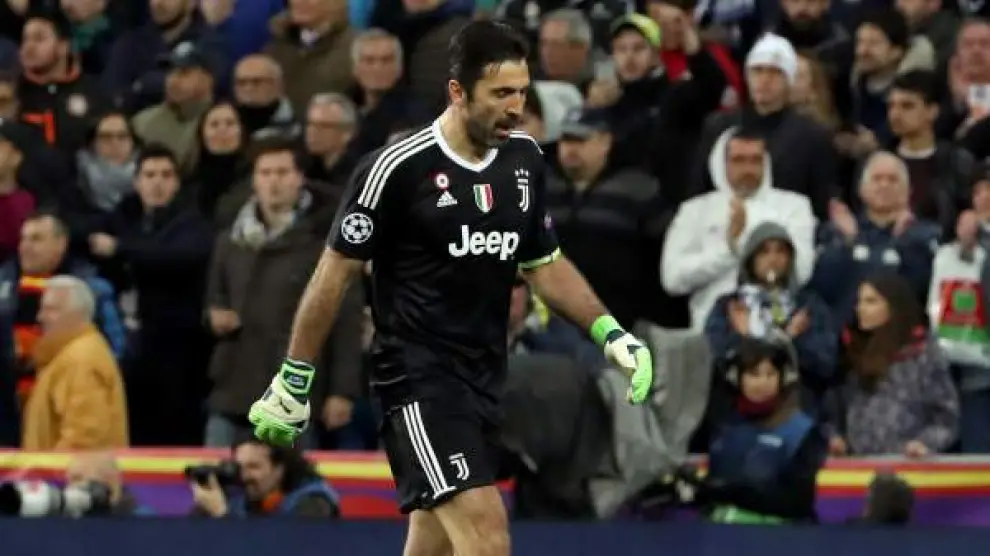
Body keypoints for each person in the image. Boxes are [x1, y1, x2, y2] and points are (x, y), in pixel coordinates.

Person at [247, 20, 653, 556]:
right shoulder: (395, 168)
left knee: (433, 545)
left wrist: (610, 333)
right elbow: (334, 273)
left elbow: (544, 263)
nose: (516, 107)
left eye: (522, 92)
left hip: (485, 376)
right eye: (501, 94)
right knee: (486, 533)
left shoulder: (525, 160)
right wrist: (295, 376)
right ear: (458, 92)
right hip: (417, 380)